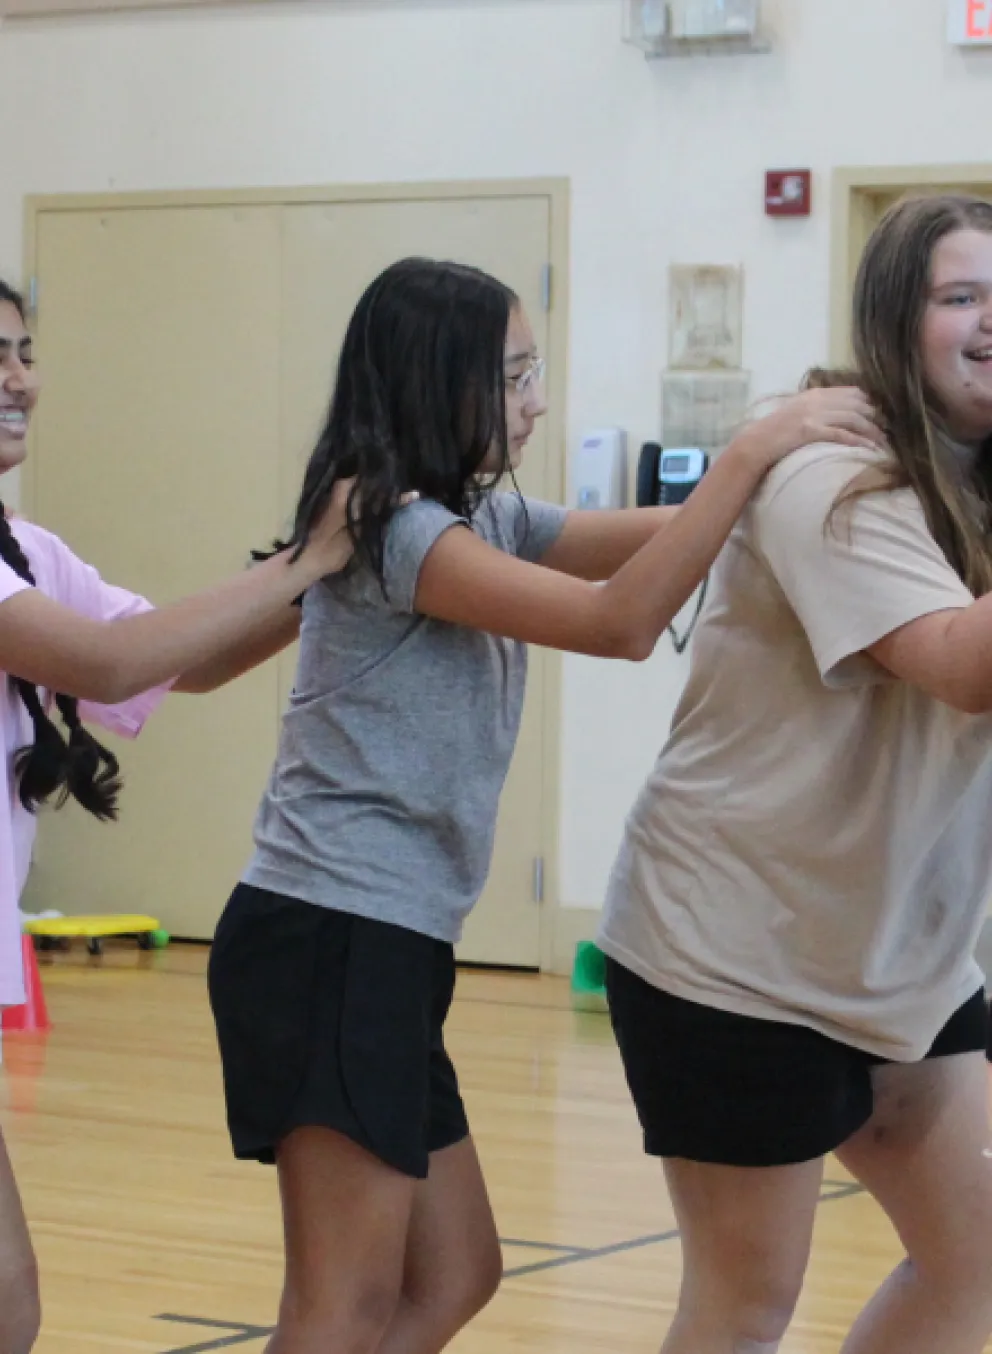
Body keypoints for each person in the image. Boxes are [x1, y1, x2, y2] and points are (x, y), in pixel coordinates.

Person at [206, 255, 881, 1354]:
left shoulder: (476, 517)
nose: (536, 400)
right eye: (515, 376)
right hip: (327, 933)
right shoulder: (398, 530)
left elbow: (663, 539)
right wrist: (760, 443)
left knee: (456, 1271)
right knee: (340, 1304)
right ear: (441, 383)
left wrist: (795, 474)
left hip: (390, 942)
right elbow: (619, 621)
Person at [598, 191, 992, 1354]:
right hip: (730, 952)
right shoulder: (831, 470)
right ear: (892, 319)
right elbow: (954, 666)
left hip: (895, 957)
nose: (989, 321)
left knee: (975, 1260)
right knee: (743, 1304)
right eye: (960, 296)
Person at [0, 277, 358, 1354]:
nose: (21, 378)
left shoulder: (28, 549)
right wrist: (315, 556)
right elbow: (105, 657)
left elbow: (171, 662)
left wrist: (332, 573)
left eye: (24, 351)